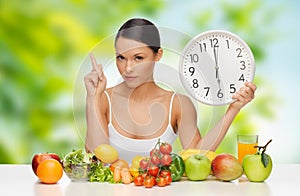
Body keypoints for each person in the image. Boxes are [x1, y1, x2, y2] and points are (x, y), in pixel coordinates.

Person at [84, 18, 257, 162]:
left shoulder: (178, 104)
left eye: (138, 58)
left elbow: (197, 154)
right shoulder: (103, 98)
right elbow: (94, 156)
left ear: (158, 55)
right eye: (121, 57)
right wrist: (92, 97)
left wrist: (233, 108)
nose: (127, 68)